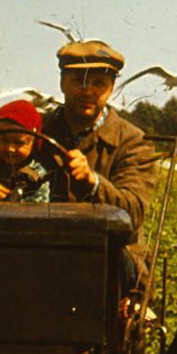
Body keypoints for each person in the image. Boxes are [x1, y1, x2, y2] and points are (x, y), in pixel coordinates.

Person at [40, 40, 157, 235]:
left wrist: (92, 181)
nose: (87, 91)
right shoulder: (35, 132)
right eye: (78, 81)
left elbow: (134, 212)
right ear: (62, 83)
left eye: (99, 83)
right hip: (44, 245)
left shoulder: (133, 142)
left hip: (111, 248)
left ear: (111, 88)